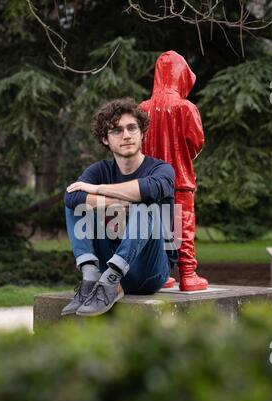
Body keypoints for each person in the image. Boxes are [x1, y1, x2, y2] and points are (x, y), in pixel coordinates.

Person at [62, 97, 176, 316]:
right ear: (105, 139)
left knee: (146, 206)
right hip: (104, 267)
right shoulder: (99, 170)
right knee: (75, 203)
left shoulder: (162, 169)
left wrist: (97, 190)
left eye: (132, 128)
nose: (126, 135)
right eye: (117, 130)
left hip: (149, 271)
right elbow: (72, 198)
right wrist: (118, 201)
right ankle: (90, 277)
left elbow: (151, 190)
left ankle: (113, 279)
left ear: (142, 133)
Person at [140, 50, 209, 291]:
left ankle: (161, 273)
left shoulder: (142, 109)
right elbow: (196, 142)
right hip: (180, 179)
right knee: (184, 223)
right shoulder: (186, 108)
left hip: (149, 181)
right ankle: (188, 274)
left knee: (156, 225)